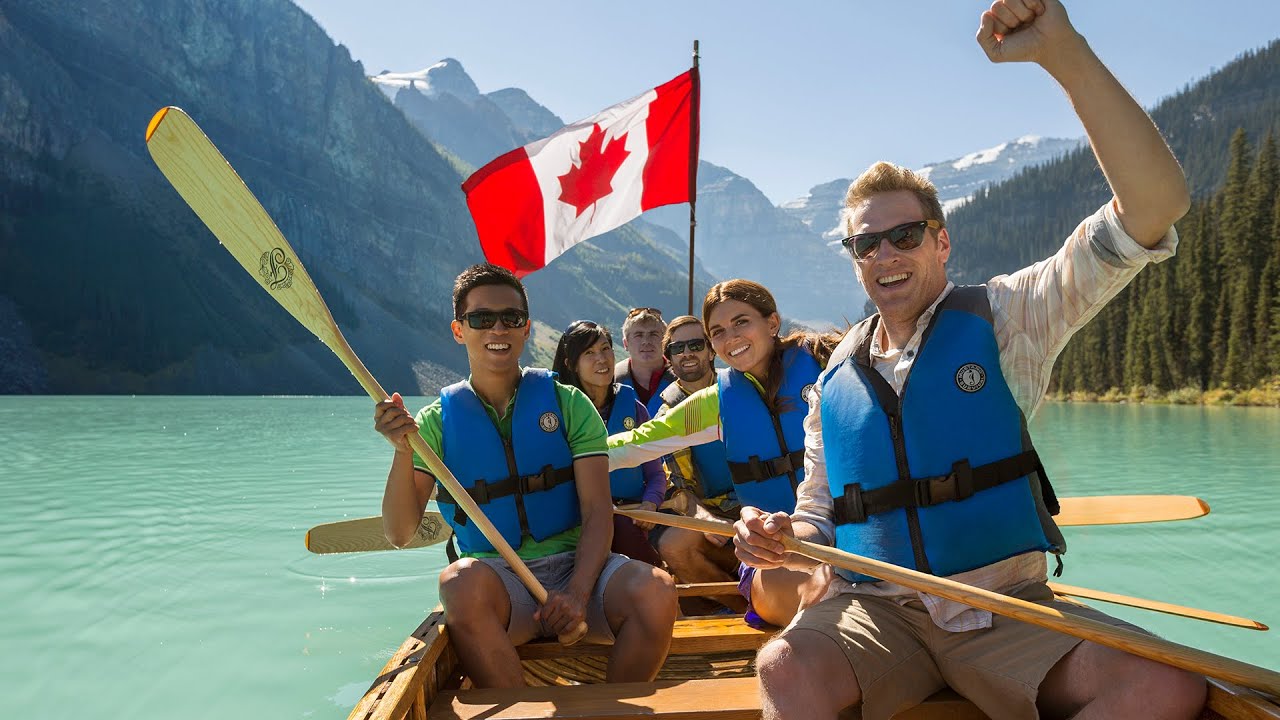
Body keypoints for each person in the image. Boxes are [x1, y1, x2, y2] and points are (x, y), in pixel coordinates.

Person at [733, 2, 1207, 719]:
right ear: (855, 262)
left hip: (1004, 609)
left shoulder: (1010, 316)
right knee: (784, 665)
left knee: (1165, 684)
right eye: (867, 244)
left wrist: (1064, 54)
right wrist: (777, 541)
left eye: (905, 235)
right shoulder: (833, 382)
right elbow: (817, 521)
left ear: (942, 242)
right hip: (877, 614)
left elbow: (1155, 204)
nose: (886, 254)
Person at [373, 263, 677, 688]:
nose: (498, 329)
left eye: (511, 318)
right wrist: (403, 450)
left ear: (527, 328)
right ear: (459, 330)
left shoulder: (570, 404)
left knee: (658, 590)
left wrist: (575, 594)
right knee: (457, 583)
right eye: (481, 319)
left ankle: (609, 711)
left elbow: (596, 512)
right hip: (501, 581)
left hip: (582, 569)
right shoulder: (435, 423)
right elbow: (400, 532)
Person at [609, 280, 840, 626]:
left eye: (741, 322)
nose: (730, 337)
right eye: (717, 331)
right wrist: (570, 458)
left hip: (847, 530)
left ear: (772, 323)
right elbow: (639, 442)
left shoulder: (830, 365)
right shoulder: (716, 403)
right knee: (804, 588)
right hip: (775, 549)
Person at [648, 316, 746, 614]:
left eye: (696, 344)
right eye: (679, 348)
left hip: (761, 504)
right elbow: (680, 485)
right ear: (669, 358)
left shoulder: (744, 391)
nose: (687, 352)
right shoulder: (667, 414)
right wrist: (707, 520)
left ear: (711, 350)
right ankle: (744, 609)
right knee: (674, 545)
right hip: (714, 510)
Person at [551, 319, 666, 567]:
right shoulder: (558, 414)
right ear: (571, 364)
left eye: (605, 349)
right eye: (589, 353)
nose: (601, 359)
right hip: (580, 520)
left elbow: (655, 473)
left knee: (624, 529)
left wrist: (651, 503)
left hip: (632, 514)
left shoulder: (635, 410)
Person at [614, 307, 676, 416]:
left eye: (653, 334)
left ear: (665, 341)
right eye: (638, 335)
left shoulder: (682, 379)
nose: (646, 341)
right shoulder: (612, 380)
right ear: (625, 344)